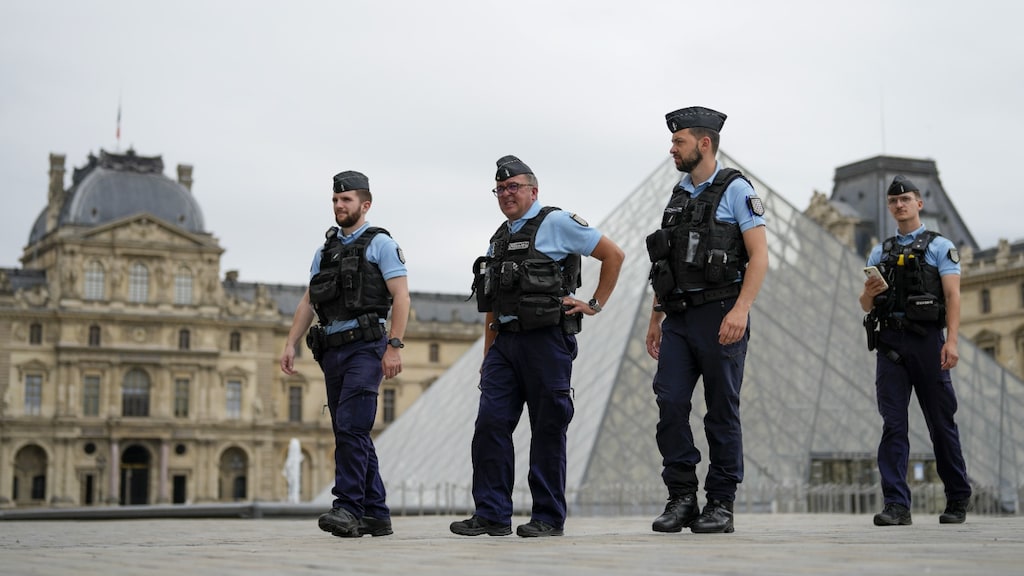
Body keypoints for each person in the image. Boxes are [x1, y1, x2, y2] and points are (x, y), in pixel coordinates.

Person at [450, 155, 624, 538]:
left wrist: (594, 304)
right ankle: (492, 514)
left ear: (533, 190)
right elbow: (492, 302)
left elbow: (613, 254)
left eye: (513, 187)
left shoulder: (557, 222)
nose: (506, 194)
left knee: (547, 429)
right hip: (505, 345)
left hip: (547, 343)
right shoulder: (499, 237)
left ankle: (547, 516)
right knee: (490, 424)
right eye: (500, 189)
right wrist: (487, 354)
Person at [645, 106, 769, 534]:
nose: (672, 149)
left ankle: (720, 502)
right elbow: (666, 262)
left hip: (721, 314)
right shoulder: (678, 195)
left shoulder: (736, 190)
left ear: (704, 143)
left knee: (720, 411)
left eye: (678, 141)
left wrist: (741, 310)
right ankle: (681, 496)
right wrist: (655, 316)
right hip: (678, 316)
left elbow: (759, 257)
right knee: (671, 403)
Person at [280, 170, 410, 538]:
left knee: (352, 427)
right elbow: (309, 300)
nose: (339, 205)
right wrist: (291, 342)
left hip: (366, 348)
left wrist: (394, 346)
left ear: (364, 205)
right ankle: (376, 514)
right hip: (333, 351)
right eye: (336, 200)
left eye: (347, 200)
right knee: (349, 432)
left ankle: (348, 507)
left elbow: (401, 296)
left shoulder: (381, 244)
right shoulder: (324, 251)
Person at [859, 174, 972, 526]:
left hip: (927, 343)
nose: (899, 205)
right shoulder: (880, 251)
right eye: (893, 201)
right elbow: (865, 304)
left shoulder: (940, 246)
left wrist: (951, 341)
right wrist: (870, 291)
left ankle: (956, 498)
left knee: (941, 424)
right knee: (893, 426)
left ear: (919, 203)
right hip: (891, 345)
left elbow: (953, 296)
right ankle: (896, 504)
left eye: (905, 199)